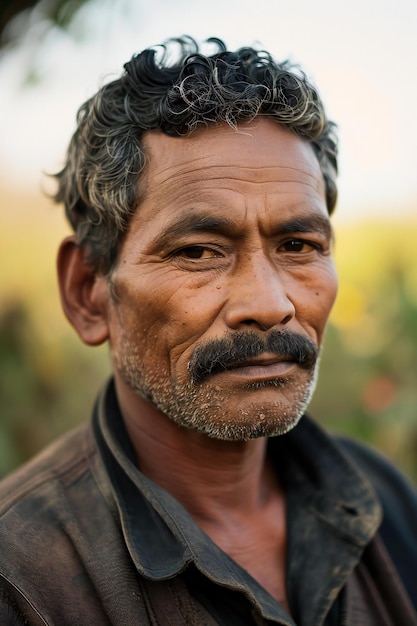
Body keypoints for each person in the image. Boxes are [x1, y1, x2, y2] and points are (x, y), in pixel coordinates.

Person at [0, 36, 415, 626]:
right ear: (89, 292)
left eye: (298, 246)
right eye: (198, 252)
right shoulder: (20, 578)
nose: (270, 305)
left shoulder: (384, 503)